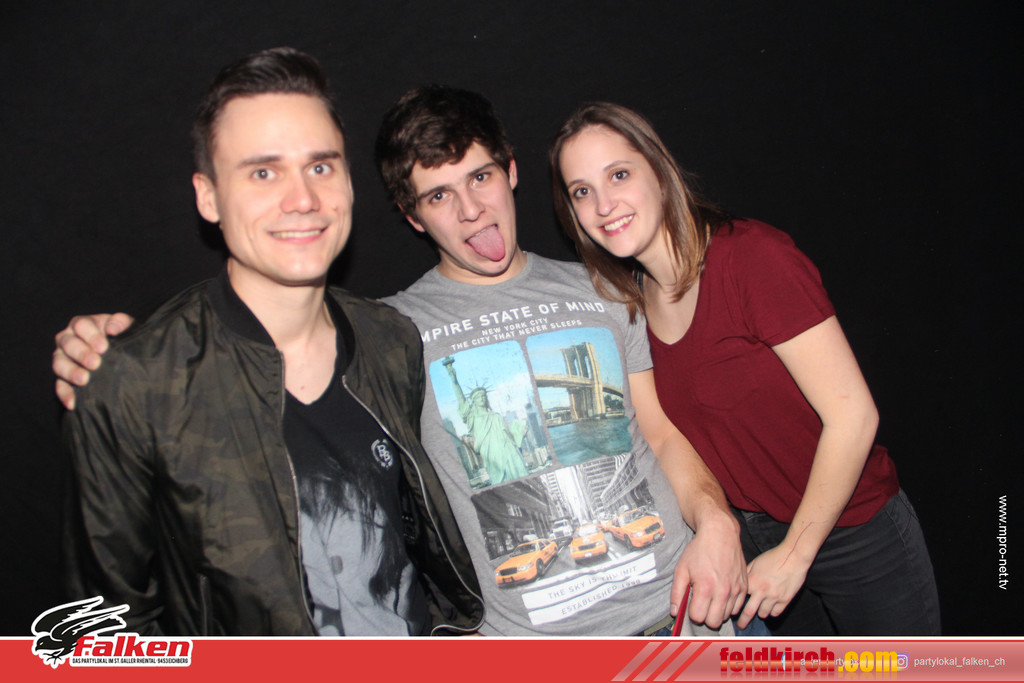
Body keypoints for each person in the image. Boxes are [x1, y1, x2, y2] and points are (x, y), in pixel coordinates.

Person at [55, 85, 755, 636]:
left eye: (481, 176)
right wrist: (119, 353)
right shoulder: (389, 333)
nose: (472, 209)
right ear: (412, 216)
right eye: (439, 195)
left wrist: (718, 521)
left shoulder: (603, 287)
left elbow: (659, 431)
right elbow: (253, 340)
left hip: (689, 616)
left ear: (511, 172)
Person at [59, 48, 482, 636]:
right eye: (263, 172)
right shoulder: (136, 382)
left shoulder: (391, 340)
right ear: (208, 196)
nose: (302, 199)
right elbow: (103, 633)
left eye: (320, 167)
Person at [549, 101, 940, 635]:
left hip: (854, 532)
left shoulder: (750, 258)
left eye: (619, 174)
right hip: (755, 546)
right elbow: (663, 439)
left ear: (659, 172)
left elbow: (855, 417)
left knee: (908, 672)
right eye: (581, 191)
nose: (603, 204)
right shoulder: (629, 305)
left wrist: (795, 555)